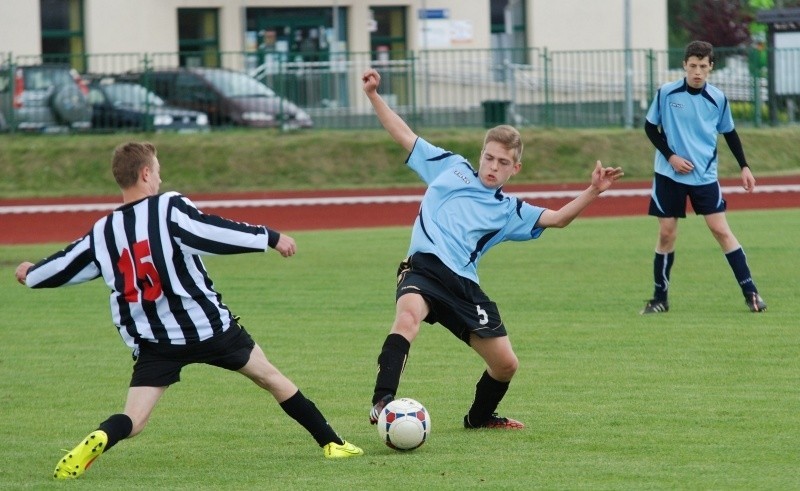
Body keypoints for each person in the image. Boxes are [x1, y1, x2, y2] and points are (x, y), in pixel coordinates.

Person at [15, 142, 363, 480]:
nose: (161, 181)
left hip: (155, 341)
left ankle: (104, 436)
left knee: (134, 420)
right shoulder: (168, 208)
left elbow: (64, 264)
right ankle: (332, 443)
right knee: (271, 378)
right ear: (146, 173)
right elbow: (210, 231)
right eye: (159, 173)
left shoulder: (103, 231)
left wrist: (31, 274)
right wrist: (268, 236)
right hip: (209, 328)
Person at [361, 68, 624, 429]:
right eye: (489, 158)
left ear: (515, 168)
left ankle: (479, 418)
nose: (492, 167)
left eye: (503, 163)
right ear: (480, 154)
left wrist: (593, 191)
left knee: (506, 364)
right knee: (407, 318)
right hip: (422, 268)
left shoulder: (509, 211)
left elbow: (559, 218)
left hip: (464, 286)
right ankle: (383, 401)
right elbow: (404, 135)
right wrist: (374, 95)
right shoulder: (450, 167)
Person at [640, 40, 767, 315]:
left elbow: (729, 133)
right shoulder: (666, 93)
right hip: (668, 176)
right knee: (666, 234)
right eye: (693, 65)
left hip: (704, 177)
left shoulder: (718, 99)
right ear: (685, 64)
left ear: (711, 67)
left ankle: (752, 294)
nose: (698, 71)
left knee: (721, 231)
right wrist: (671, 156)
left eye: (703, 66)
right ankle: (660, 298)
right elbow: (650, 128)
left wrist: (744, 166)